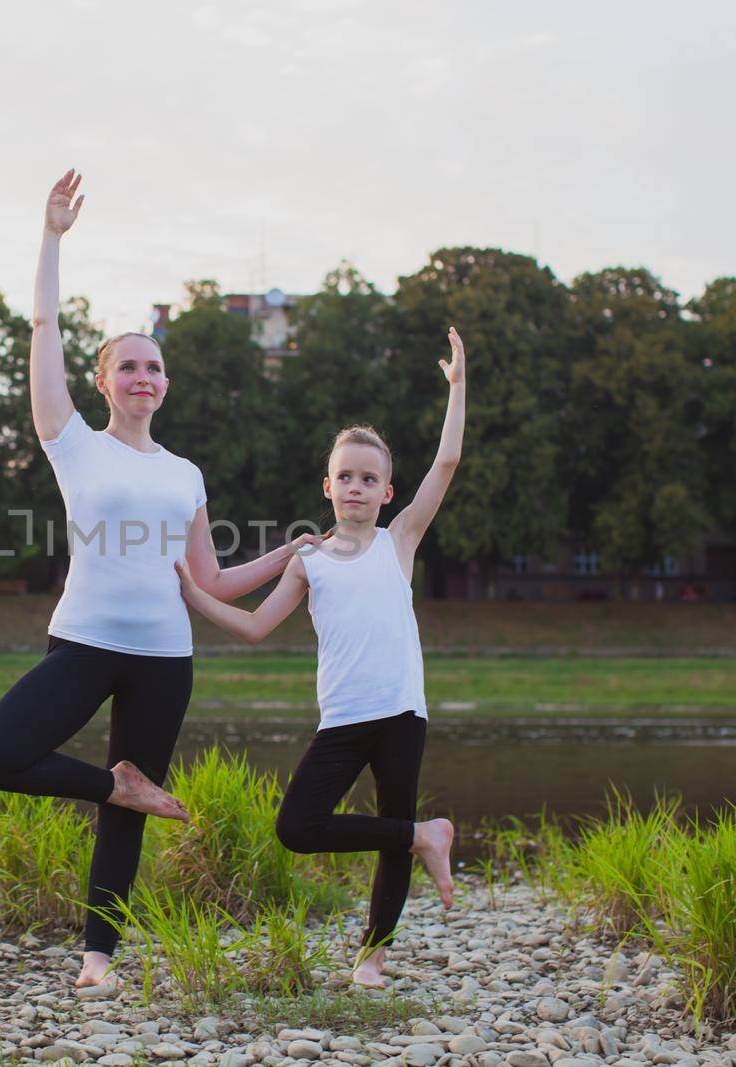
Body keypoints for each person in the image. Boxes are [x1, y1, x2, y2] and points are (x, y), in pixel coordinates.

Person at [0, 170, 316, 990]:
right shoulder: (73, 440)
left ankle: (98, 961)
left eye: (154, 367)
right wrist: (51, 236)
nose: (143, 377)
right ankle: (114, 784)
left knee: (125, 816)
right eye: (128, 366)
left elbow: (213, 581)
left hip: (165, 655)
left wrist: (287, 555)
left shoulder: (185, 473)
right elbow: (45, 324)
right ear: (102, 381)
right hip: (84, 642)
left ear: (166, 383)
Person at [173, 327, 467, 989]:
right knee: (298, 825)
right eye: (346, 477)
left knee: (392, 824)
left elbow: (445, 464)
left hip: (400, 712)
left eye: (370, 479)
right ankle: (427, 834)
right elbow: (253, 627)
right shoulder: (309, 558)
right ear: (328, 486)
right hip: (342, 719)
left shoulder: (401, 540)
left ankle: (374, 956)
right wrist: (194, 594)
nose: (357, 487)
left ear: (388, 491)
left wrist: (456, 388)